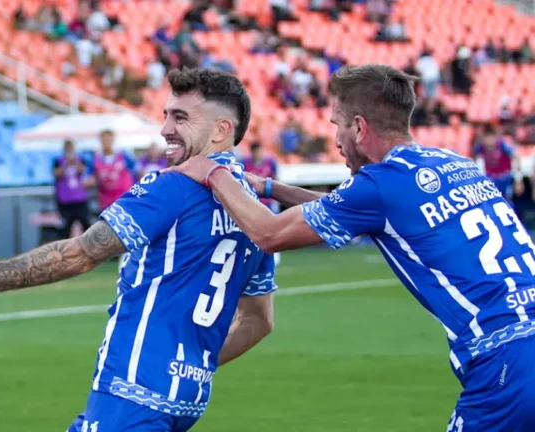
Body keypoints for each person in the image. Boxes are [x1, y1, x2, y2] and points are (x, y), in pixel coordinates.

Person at [166, 64, 535, 431]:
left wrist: (211, 171)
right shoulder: (453, 163)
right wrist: (267, 187)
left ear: (358, 127)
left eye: (336, 125)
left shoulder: (381, 185)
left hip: (507, 360)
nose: (337, 138)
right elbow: (350, 208)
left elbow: (269, 234)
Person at [0, 68, 277, 432]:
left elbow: (81, 253)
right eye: (166, 115)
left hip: (133, 390)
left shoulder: (173, 187)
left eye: (180, 117)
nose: (165, 128)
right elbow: (260, 321)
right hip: (187, 397)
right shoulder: (255, 210)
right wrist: (193, 366)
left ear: (221, 130)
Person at [242, 141, 280, 266]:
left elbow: (276, 179)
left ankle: (274, 254)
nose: (258, 154)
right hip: (253, 202)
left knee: (272, 228)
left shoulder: (270, 162)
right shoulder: (245, 163)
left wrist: (275, 197)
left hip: (268, 202)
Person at [53, 139, 93, 240]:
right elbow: (56, 174)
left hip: (80, 199)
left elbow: (83, 171)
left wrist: (74, 162)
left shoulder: (80, 159)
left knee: (86, 225)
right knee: (65, 228)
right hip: (65, 200)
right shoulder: (58, 161)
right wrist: (66, 164)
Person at [473, 125, 522, 202]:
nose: (488, 141)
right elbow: (475, 161)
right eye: (486, 138)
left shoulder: (502, 145)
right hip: (490, 178)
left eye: (490, 137)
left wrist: (518, 180)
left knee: (507, 201)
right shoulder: (480, 147)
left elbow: (515, 158)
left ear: (494, 137)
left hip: (505, 178)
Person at [92, 129, 136, 211]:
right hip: (106, 201)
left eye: (108, 139)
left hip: (123, 199)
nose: (106, 142)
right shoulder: (96, 159)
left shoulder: (124, 155)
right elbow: (91, 177)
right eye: (104, 140)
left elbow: (136, 170)